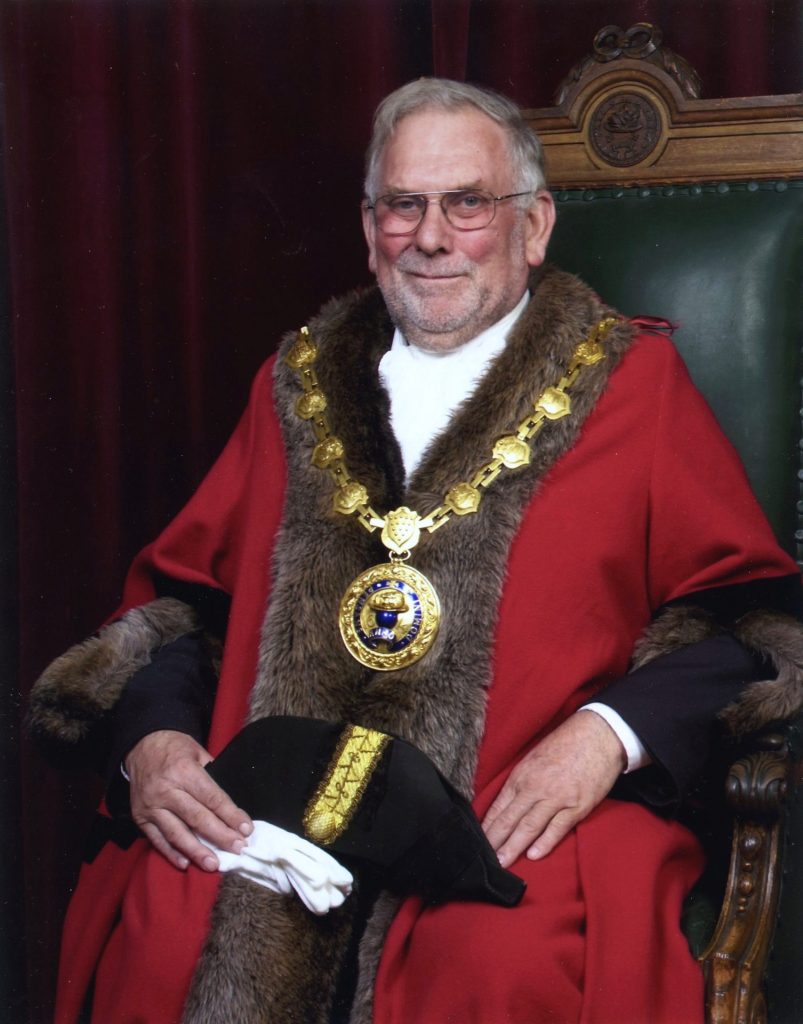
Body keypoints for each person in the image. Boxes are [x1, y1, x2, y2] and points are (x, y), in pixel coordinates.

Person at [30, 78, 803, 1024]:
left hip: (510, 811)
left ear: (534, 225)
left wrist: (605, 736)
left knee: (499, 968)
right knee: (163, 934)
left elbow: (746, 622)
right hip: (277, 806)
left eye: (468, 203)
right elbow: (191, 604)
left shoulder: (630, 387)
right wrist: (153, 739)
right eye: (404, 204)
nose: (431, 237)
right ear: (369, 227)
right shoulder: (295, 383)